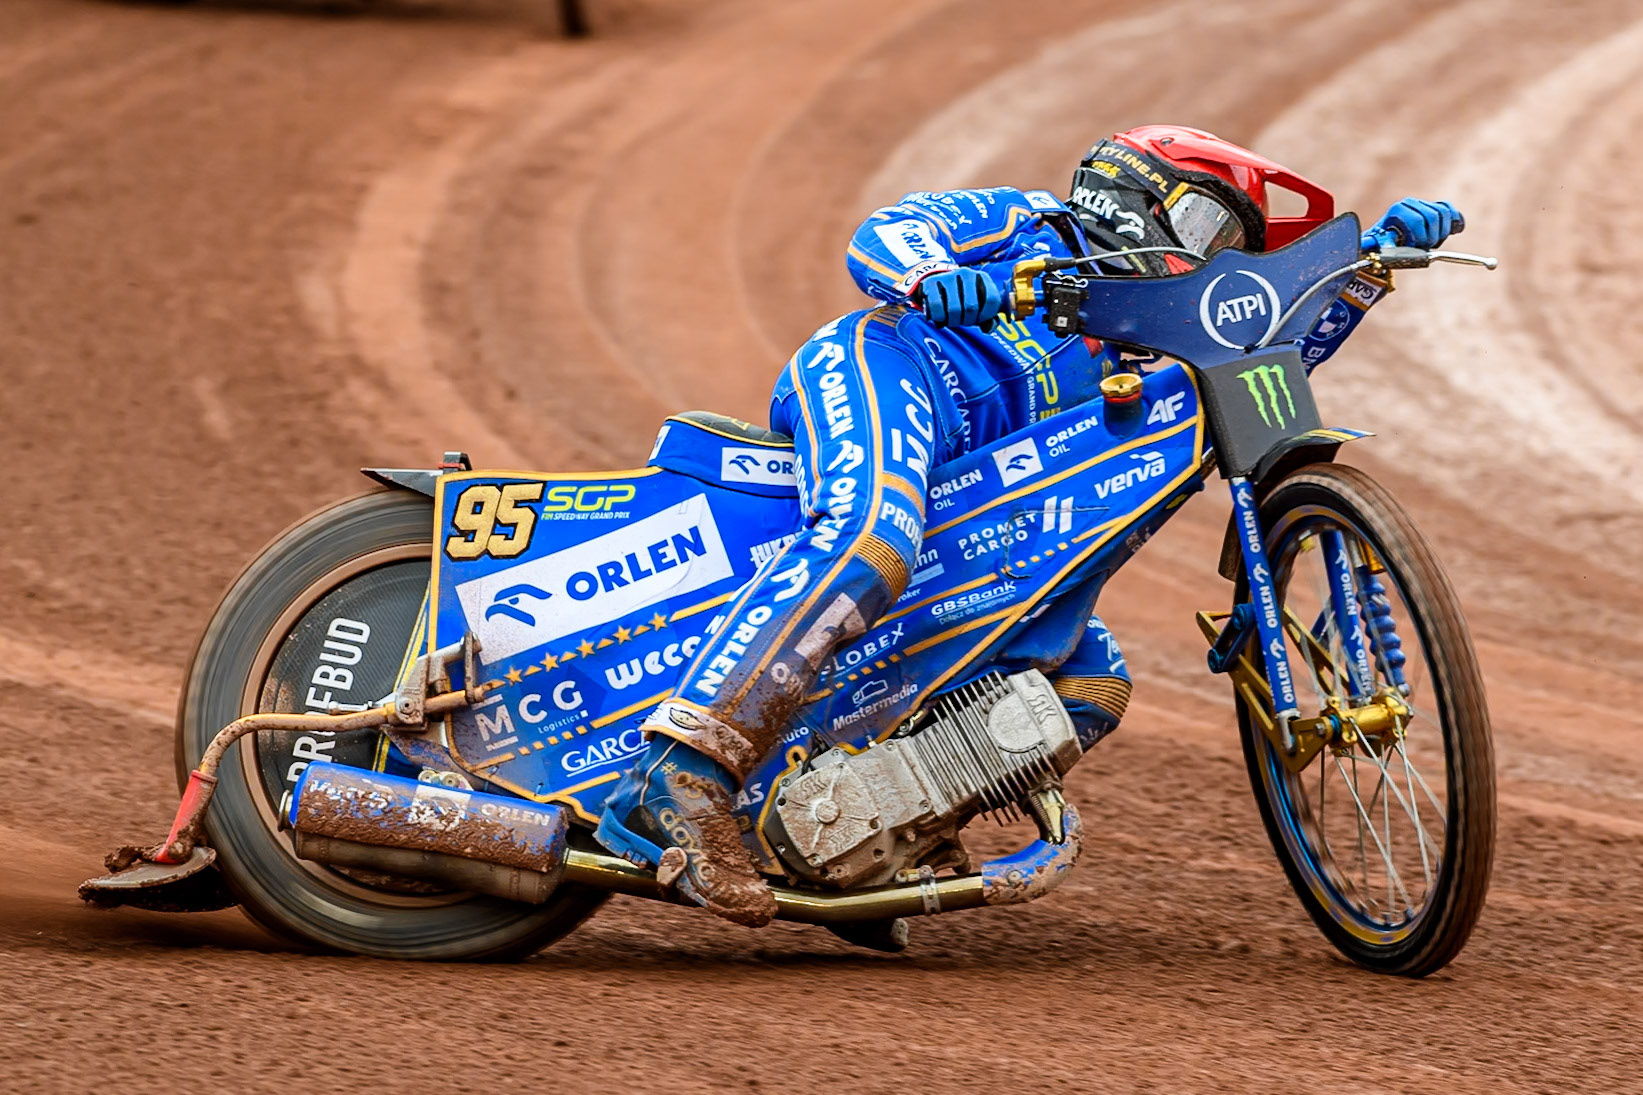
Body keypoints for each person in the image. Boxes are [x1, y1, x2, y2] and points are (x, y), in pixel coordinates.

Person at [594, 124, 1463, 926]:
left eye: (1228, 249)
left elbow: (1275, 348)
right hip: (892, 367)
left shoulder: (1151, 346)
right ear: (1130, 191)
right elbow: (888, 232)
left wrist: (1365, 270)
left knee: (1088, 682)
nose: (1211, 259)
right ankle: (680, 775)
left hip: (979, 499)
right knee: (872, 536)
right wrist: (936, 280)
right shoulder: (1027, 221)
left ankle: (867, 841)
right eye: (1205, 226)